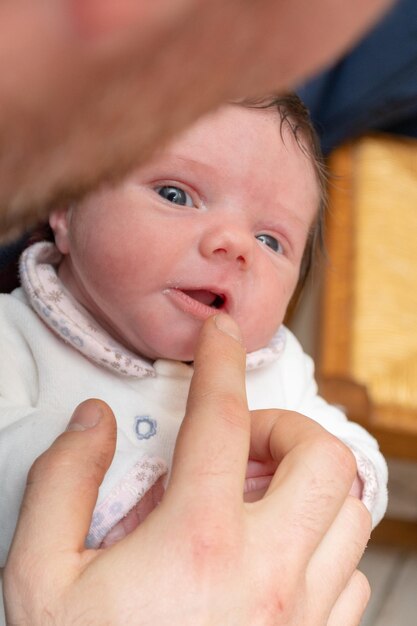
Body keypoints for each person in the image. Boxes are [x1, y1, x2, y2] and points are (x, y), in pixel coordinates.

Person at [0, 96, 387, 560]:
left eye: (270, 240)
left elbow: (353, 449)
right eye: (175, 195)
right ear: (65, 205)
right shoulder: (14, 337)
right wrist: (124, 498)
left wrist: (337, 478)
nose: (235, 244)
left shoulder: (276, 368)